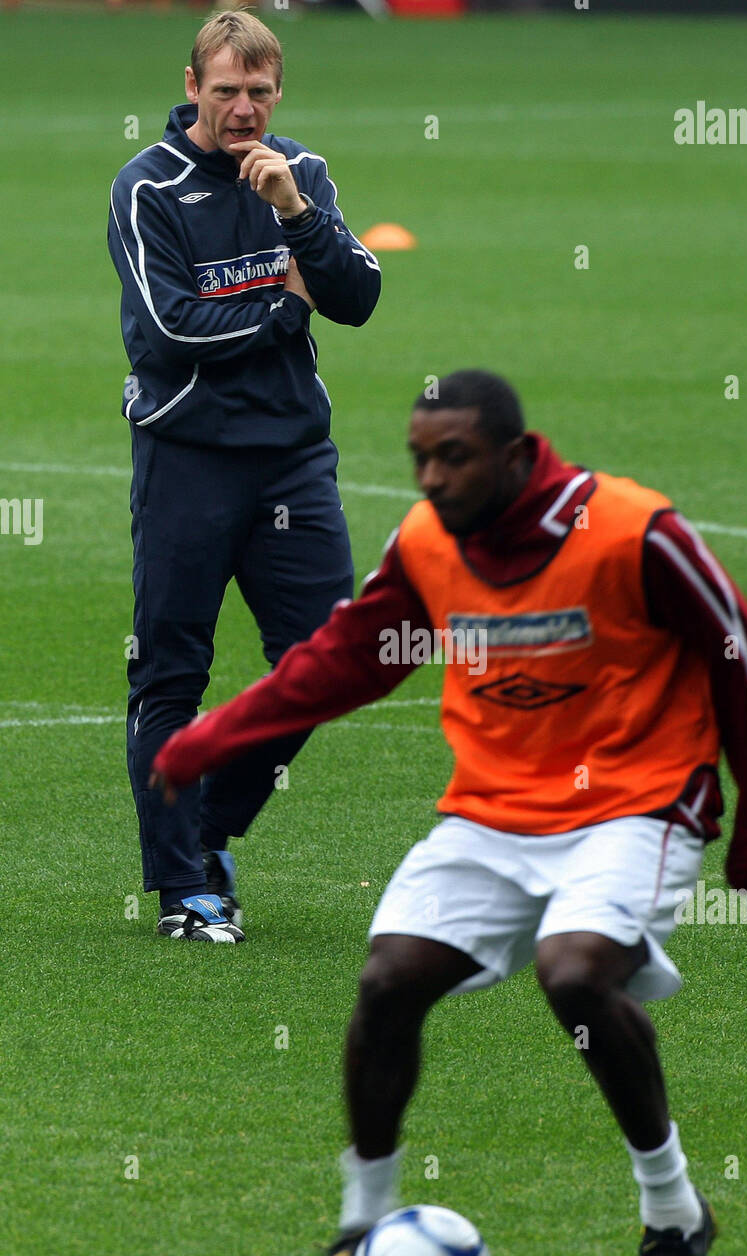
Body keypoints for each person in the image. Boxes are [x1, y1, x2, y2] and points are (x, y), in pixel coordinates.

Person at [151, 370, 747, 1256]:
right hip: (492, 811)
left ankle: (672, 1214)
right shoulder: (426, 543)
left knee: (573, 973)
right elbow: (344, 658)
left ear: (517, 455)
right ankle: (360, 1225)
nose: (433, 479)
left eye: (453, 456)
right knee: (387, 980)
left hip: (634, 801)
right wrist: (213, 736)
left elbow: (742, 651)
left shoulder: (631, 530)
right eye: (420, 459)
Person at [108, 9, 380, 942]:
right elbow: (170, 330)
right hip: (186, 461)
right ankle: (185, 891)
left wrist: (299, 221)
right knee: (171, 674)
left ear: (277, 91)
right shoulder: (148, 189)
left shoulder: (299, 173)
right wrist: (281, 312)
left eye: (259, 92)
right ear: (192, 87)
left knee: (324, 663)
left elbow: (357, 298)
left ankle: (212, 830)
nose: (243, 109)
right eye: (225, 91)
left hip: (292, 461)